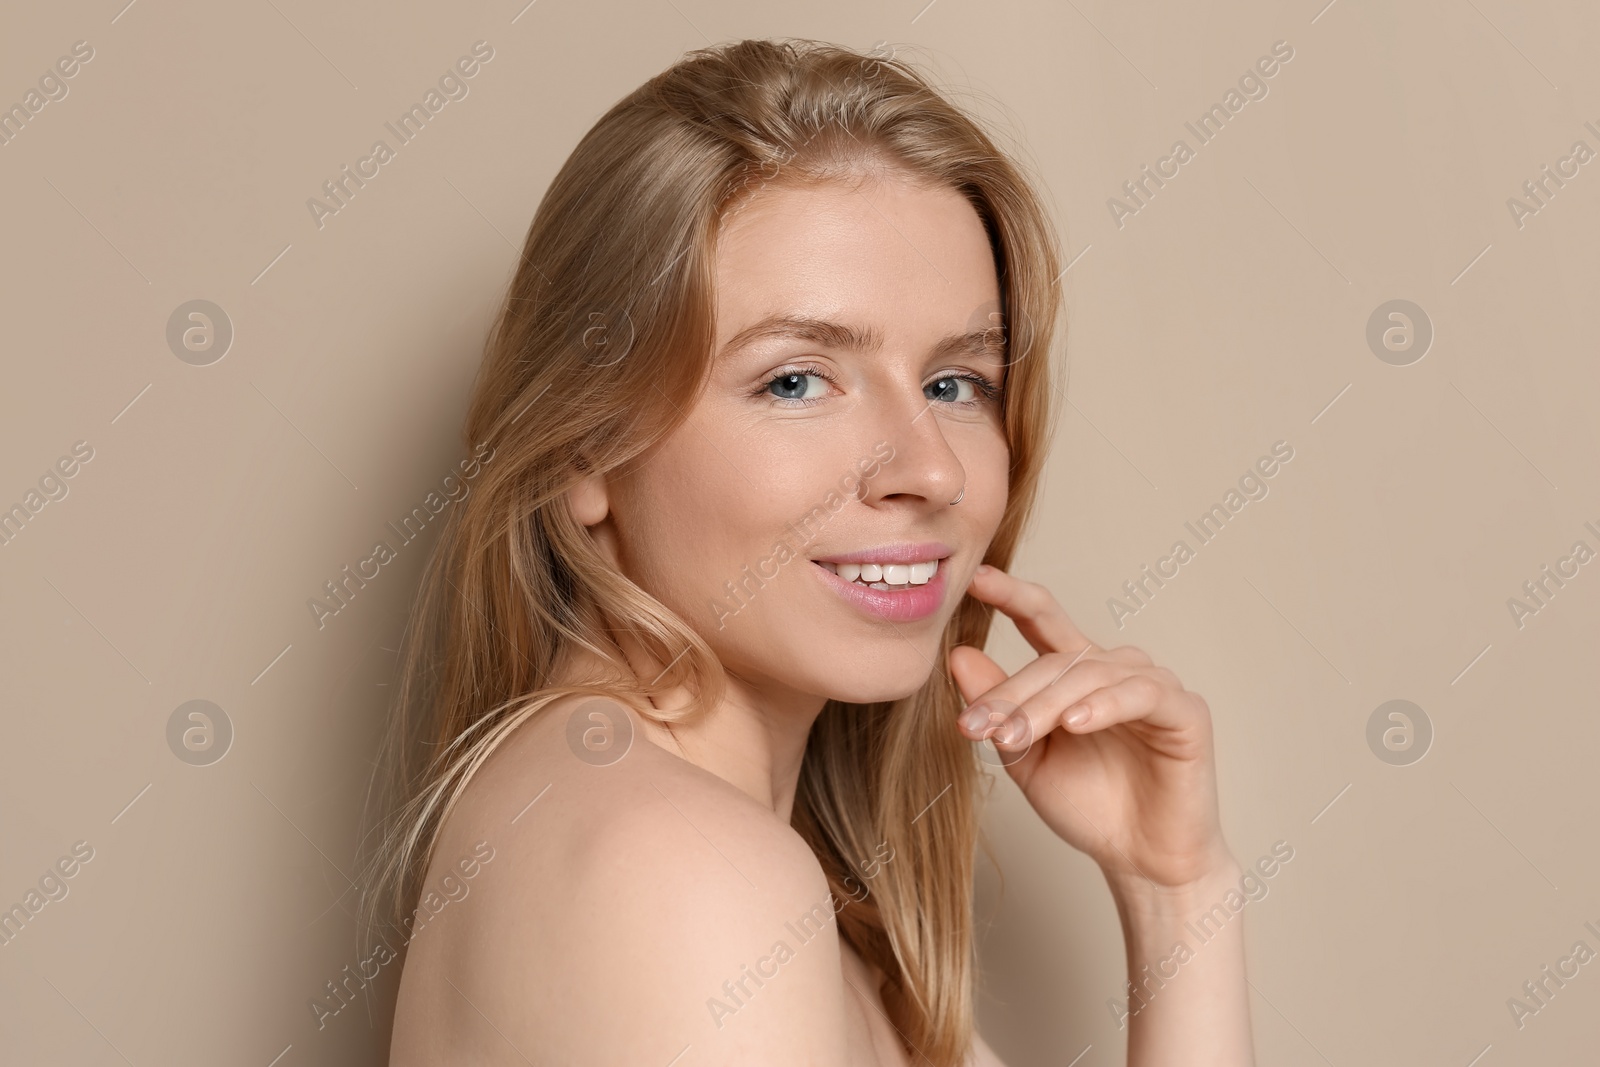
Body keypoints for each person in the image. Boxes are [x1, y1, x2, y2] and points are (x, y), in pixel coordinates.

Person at [361, 36, 1253, 1066]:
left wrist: (1176, 887)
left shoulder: (640, 829)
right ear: (586, 445)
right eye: (796, 379)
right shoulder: (688, 874)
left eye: (955, 381)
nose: (928, 468)